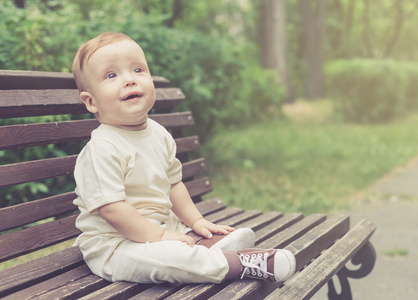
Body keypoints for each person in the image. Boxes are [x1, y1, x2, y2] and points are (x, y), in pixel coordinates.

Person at [71, 32, 296, 284]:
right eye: (112, 75)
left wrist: (196, 221)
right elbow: (113, 211)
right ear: (91, 102)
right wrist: (157, 237)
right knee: (167, 259)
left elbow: (174, 185)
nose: (130, 80)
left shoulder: (158, 134)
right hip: (116, 246)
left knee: (177, 245)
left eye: (137, 69)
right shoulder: (102, 148)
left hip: (162, 228)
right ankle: (239, 263)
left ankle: (204, 248)